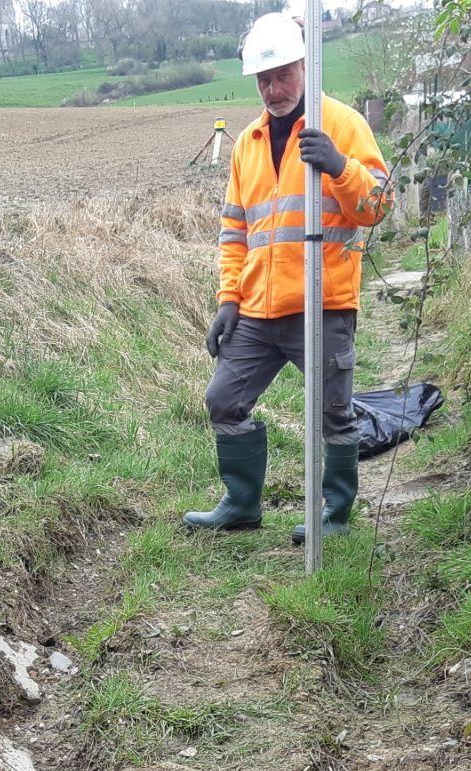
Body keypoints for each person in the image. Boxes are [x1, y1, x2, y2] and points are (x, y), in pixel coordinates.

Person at [185, 11, 392, 542]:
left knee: (334, 413)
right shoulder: (248, 143)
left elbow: (379, 205)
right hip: (257, 307)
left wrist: (339, 166)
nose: (273, 89)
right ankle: (241, 503)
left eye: (282, 75)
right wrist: (228, 299)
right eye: (263, 79)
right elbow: (235, 231)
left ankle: (336, 516)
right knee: (223, 400)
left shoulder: (340, 123)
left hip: (323, 301)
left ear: (304, 65)